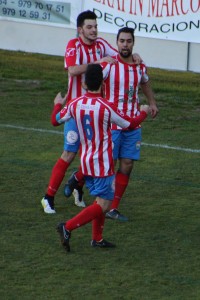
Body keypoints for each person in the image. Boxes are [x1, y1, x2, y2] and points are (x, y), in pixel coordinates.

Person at [41, 10, 142, 213]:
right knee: (69, 154)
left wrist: (134, 56)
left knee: (95, 155)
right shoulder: (73, 46)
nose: (94, 30)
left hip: (95, 111)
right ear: (80, 29)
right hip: (75, 110)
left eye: (95, 26)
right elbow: (72, 70)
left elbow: (120, 56)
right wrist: (98, 64)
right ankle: (48, 196)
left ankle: (79, 187)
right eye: (89, 27)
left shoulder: (102, 44)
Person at [51, 64, 150, 252]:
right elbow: (129, 125)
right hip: (102, 163)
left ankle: (97, 238)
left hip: (86, 160)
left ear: (86, 84)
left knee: (99, 200)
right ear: (103, 84)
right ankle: (67, 227)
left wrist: (58, 103)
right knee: (104, 204)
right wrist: (143, 111)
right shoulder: (106, 107)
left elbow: (55, 120)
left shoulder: (75, 103)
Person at [65, 27, 159, 221]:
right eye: (122, 41)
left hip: (132, 125)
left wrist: (152, 103)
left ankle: (112, 209)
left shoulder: (140, 66)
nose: (125, 44)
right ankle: (78, 178)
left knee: (127, 164)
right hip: (113, 124)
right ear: (117, 43)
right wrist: (98, 103)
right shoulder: (108, 65)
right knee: (107, 163)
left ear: (133, 43)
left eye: (129, 41)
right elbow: (87, 83)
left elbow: (145, 82)